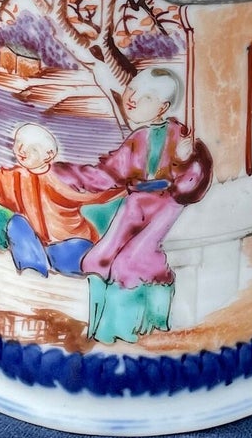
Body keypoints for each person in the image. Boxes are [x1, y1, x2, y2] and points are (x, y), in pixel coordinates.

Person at [52, 66, 212, 345]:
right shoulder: (138, 139)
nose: (133, 99)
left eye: (146, 97)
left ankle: (142, 326)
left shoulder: (181, 137)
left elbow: (192, 181)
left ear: (163, 107)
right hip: (136, 203)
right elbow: (107, 174)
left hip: (167, 205)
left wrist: (183, 159)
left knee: (131, 261)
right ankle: (103, 330)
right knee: (100, 257)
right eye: (132, 90)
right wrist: (63, 172)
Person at [0, 123, 96, 277]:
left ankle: (59, 264)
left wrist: (117, 184)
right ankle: (32, 269)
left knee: (71, 256)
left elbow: (95, 192)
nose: (21, 150)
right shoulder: (18, 177)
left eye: (32, 148)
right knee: (17, 223)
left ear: (49, 155)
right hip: (38, 245)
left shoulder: (62, 180)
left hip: (70, 242)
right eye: (18, 143)